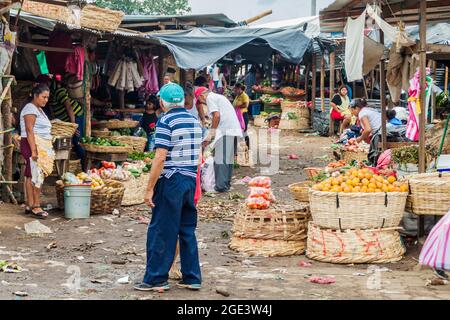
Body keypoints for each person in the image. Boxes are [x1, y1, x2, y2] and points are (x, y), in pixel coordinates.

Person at [134, 83, 203, 292]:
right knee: (187, 229)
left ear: (163, 102)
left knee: (161, 230)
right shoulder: (194, 121)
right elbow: (198, 155)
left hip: (171, 180)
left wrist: (149, 188)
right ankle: (192, 277)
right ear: (182, 100)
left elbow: (160, 157)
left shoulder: (165, 121)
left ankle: (155, 278)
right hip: (190, 179)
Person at [195, 87, 243, 193]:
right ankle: (225, 184)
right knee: (228, 159)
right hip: (233, 129)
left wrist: (211, 134)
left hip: (226, 130)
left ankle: (220, 186)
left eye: (201, 101)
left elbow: (216, 116)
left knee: (220, 159)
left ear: (202, 96)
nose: (204, 104)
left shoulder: (210, 98)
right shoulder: (219, 97)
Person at [20, 83, 54, 218]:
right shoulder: (30, 109)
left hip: (38, 144)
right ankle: (36, 206)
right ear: (35, 96)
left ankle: (30, 204)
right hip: (32, 144)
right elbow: (29, 130)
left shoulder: (38, 109)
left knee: (31, 174)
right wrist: (34, 151)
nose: (45, 100)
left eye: (47, 97)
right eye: (43, 97)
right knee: (36, 175)